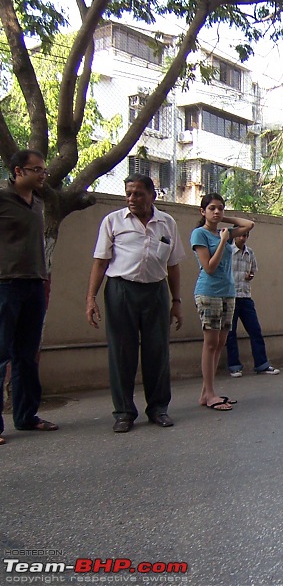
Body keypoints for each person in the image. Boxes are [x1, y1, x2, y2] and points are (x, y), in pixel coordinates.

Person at [86, 174, 185, 433]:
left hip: (155, 292)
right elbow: (100, 262)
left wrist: (176, 301)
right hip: (121, 291)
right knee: (122, 353)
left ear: (153, 195)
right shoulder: (113, 221)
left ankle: (158, 408)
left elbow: (173, 265)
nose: (132, 198)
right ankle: (123, 412)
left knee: (157, 352)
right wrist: (91, 298)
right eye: (128, 193)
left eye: (138, 193)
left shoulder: (167, 223)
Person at [0, 149, 58, 444]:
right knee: (1, 354)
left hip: (34, 284)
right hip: (6, 285)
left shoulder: (37, 203)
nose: (42, 175)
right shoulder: (2, 198)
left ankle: (26, 417)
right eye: (37, 170)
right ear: (18, 171)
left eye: (44, 171)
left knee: (26, 355)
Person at [191, 192, 255, 411]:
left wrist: (223, 221)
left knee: (220, 343)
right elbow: (209, 267)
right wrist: (223, 242)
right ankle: (210, 394)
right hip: (208, 293)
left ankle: (205, 392)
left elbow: (249, 224)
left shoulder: (222, 231)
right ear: (202, 211)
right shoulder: (199, 234)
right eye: (212, 208)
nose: (217, 211)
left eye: (220, 208)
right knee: (210, 343)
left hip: (228, 292)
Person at [225, 232, 280, 377]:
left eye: (245, 236)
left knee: (255, 330)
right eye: (240, 235)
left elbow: (253, 270)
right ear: (235, 236)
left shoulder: (250, 253)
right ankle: (234, 366)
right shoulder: (228, 251)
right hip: (230, 296)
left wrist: (250, 276)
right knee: (230, 333)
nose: (242, 238)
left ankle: (262, 364)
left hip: (246, 296)